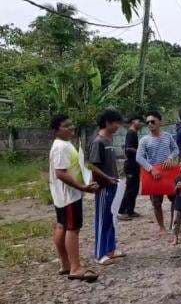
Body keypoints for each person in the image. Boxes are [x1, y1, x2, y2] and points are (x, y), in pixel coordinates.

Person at [49, 114, 99, 282]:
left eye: (71, 124)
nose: (71, 127)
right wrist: (82, 187)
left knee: (62, 225)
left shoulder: (64, 144)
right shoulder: (61, 147)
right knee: (72, 228)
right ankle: (76, 268)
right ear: (56, 130)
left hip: (64, 195)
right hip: (69, 195)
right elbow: (60, 173)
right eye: (66, 126)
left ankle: (65, 264)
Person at [88, 109, 125, 265]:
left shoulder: (109, 140)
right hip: (103, 188)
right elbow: (92, 165)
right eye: (116, 123)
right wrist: (107, 178)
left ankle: (110, 250)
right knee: (103, 220)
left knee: (111, 218)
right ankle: (99, 254)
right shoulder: (98, 142)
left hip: (113, 185)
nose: (118, 126)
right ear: (108, 123)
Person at [136, 111, 179, 237]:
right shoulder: (144, 140)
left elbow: (176, 149)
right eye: (148, 122)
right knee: (156, 203)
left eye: (153, 121)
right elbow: (139, 157)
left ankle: (174, 224)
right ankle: (161, 227)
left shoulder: (168, 136)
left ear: (160, 122)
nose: (150, 124)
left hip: (168, 172)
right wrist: (151, 169)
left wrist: (170, 158)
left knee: (175, 199)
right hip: (153, 175)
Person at [118, 116, 143, 220]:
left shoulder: (134, 133)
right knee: (130, 189)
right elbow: (128, 149)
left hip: (134, 164)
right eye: (139, 121)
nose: (141, 123)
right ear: (133, 121)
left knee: (134, 188)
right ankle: (122, 211)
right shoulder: (131, 133)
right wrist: (141, 152)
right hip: (131, 165)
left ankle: (130, 210)